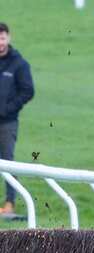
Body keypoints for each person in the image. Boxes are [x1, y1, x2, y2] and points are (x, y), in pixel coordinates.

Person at [0, 22, 34, 216]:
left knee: (7, 162)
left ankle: (10, 203)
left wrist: (8, 108)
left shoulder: (18, 63)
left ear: (8, 38)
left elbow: (28, 90)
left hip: (7, 122)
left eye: (2, 38)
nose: (0, 42)